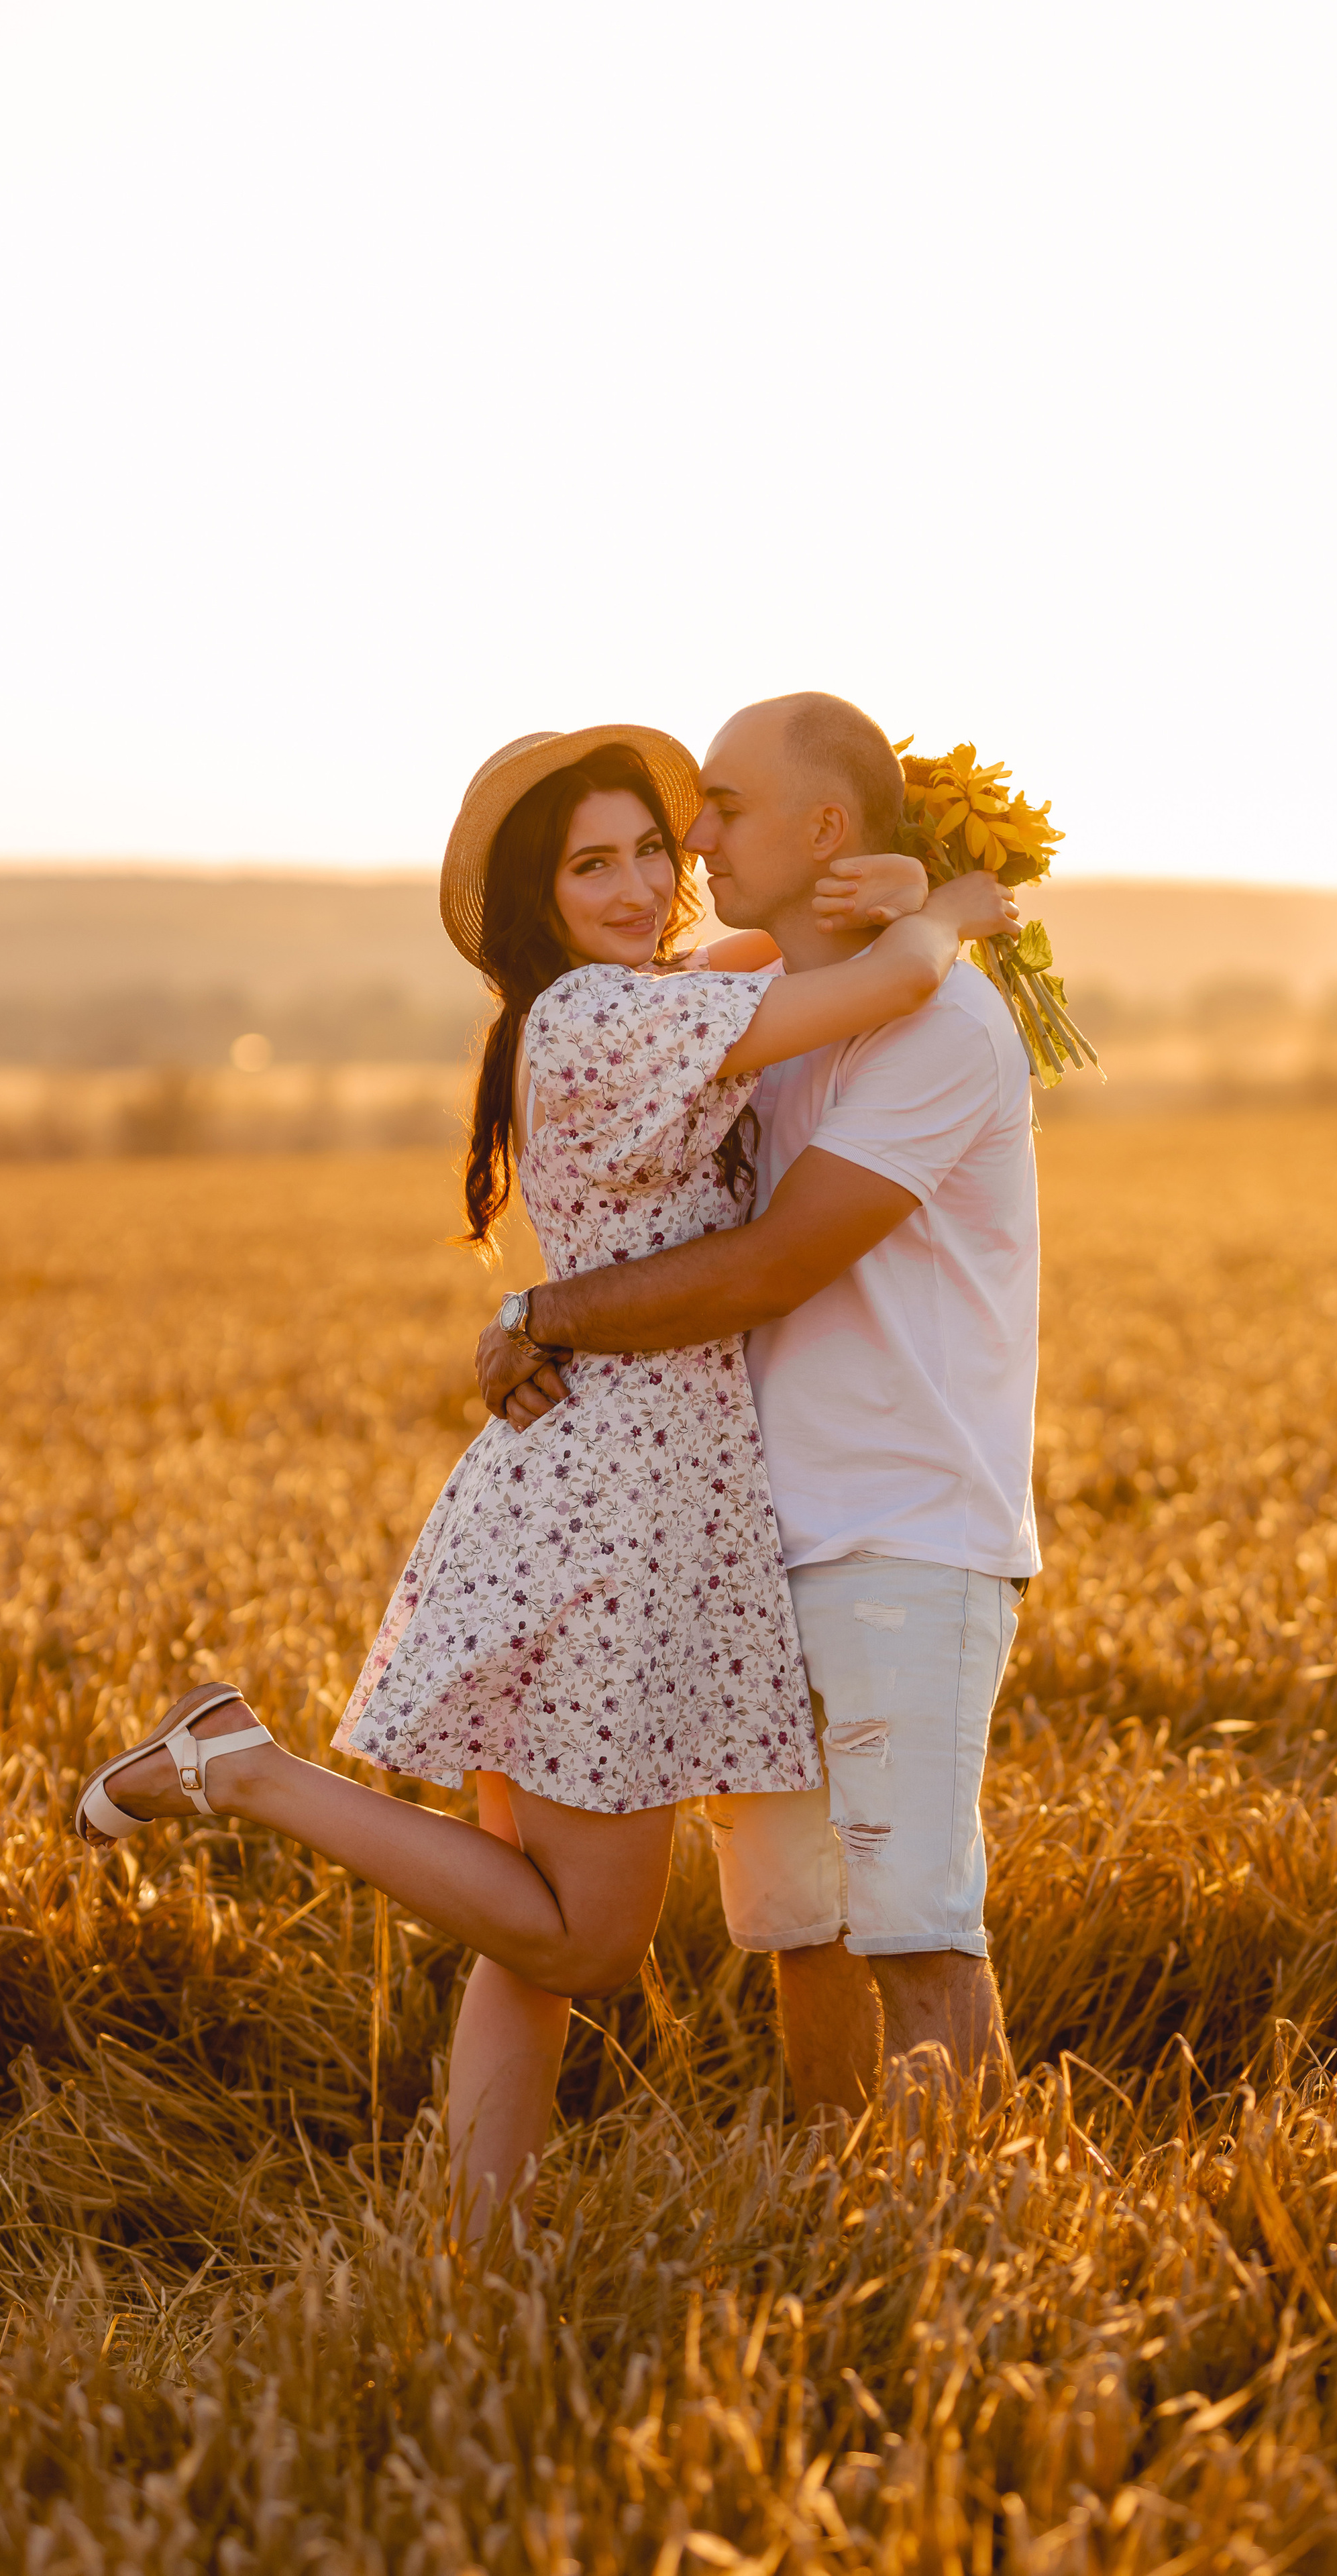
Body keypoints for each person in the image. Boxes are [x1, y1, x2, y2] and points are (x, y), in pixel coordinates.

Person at [72, 721, 1016, 2239]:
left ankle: (469, 2246)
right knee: (585, 1942)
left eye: (656, 845)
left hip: (597, 1484)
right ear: (538, 898)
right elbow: (890, 981)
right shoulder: (598, 1021)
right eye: (598, 864)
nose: (651, 880)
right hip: (621, 1507)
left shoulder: (645, 1001)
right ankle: (240, 1765)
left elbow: (775, 947)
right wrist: (956, 910)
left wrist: (867, 879)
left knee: (528, 1939)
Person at [478, 692, 1042, 2122]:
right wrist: (952, 904)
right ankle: (836, 2221)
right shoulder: (751, 1001)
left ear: (826, 830)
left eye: (720, 805)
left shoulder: (942, 1028)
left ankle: (967, 2244)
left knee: (916, 1925)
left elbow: (777, 1259)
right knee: (795, 1928)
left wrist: (537, 1315)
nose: (691, 834)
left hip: (902, 1530)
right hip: (744, 1538)